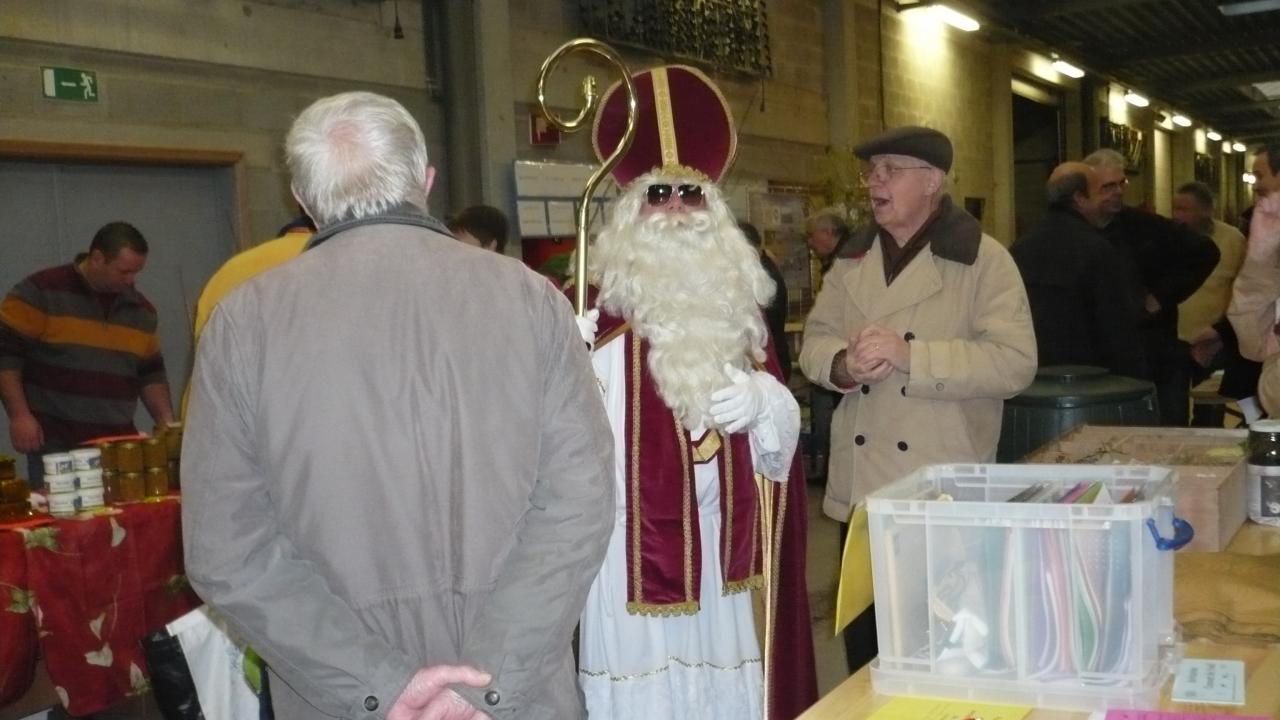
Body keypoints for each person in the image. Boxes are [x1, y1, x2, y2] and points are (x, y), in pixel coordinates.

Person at [182, 91, 615, 720]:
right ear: (426, 181)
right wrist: (486, 682)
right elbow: (581, 503)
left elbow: (228, 550)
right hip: (515, 695)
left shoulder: (242, 324)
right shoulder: (531, 300)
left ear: (302, 200)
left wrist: (381, 684)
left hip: (340, 700)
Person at [579, 64, 816, 720]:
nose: (677, 211)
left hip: (723, 555)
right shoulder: (591, 325)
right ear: (631, 212)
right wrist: (559, 368)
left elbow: (781, 452)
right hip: (625, 559)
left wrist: (765, 404)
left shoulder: (736, 315)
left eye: (690, 194)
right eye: (659, 196)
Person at [800, 125, 1037, 675]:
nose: (874, 182)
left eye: (891, 170)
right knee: (869, 655)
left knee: (945, 654)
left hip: (942, 494)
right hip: (862, 497)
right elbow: (815, 340)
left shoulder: (982, 260)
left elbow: (1014, 362)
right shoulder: (852, 258)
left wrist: (911, 357)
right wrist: (842, 364)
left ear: (932, 180)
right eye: (872, 172)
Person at [0, 221, 173, 488]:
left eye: (136, 272)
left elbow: (151, 373)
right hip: (55, 443)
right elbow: (6, 356)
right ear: (97, 258)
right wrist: (20, 416)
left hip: (117, 447)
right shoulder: (41, 292)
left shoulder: (142, 311)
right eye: (124, 271)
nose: (131, 280)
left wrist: (167, 425)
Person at [1083, 148, 1219, 426]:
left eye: (1121, 184)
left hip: (1157, 352)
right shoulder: (1077, 233)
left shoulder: (1146, 226)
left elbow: (1206, 252)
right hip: (1105, 355)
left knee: (1168, 429)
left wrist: (1162, 297)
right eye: (1108, 186)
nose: (1118, 192)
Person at [1011, 161, 1145, 378]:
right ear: (1080, 199)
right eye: (1096, 192)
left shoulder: (1020, 248)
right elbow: (1116, 327)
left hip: (1033, 376)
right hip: (1088, 379)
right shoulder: (1097, 250)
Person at [1171, 181, 1259, 424]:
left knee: (1209, 409)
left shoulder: (1233, 240)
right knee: (1175, 404)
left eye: (1185, 209)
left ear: (1206, 210)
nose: (1178, 216)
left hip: (1215, 338)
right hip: (1175, 338)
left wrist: (1224, 330)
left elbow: (1247, 289)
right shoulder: (1167, 239)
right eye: (1175, 208)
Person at [740, 221, 792, 378]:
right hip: (769, 358)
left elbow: (763, 324)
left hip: (766, 362)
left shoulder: (762, 277)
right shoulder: (763, 269)